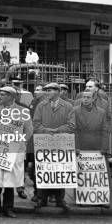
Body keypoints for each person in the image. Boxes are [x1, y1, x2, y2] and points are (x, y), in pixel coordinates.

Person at [0, 87, 33, 218]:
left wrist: (21, 142)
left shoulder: (22, 112)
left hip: (14, 151)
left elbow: (29, 130)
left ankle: (8, 208)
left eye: (2, 95)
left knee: (10, 180)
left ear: (11, 97)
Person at [33, 82, 74, 213]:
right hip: (44, 143)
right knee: (44, 170)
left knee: (59, 171)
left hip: (61, 143)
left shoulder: (68, 106)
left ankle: (60, 199)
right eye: (45, 90)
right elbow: (35, 123)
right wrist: (46, 131)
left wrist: (57, 130)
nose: (46, 92)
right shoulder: (41, 105)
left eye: (49, 90)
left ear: (57, 91)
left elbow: (72, 125)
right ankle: (41, 199)